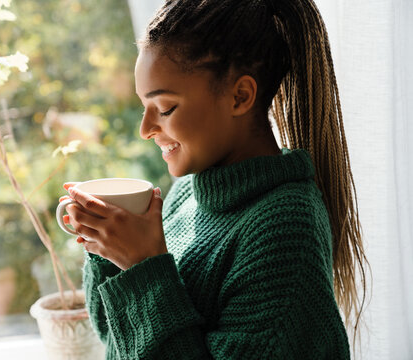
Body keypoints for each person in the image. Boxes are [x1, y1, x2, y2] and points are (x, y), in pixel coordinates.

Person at [60, 0, 369, 358]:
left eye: (164, 109)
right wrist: (107, 245)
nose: (145, 129)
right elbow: (117, 341)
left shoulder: (285, 227)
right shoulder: (186, 193)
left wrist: (143, 267)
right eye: (144, 107)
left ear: (240, 96)